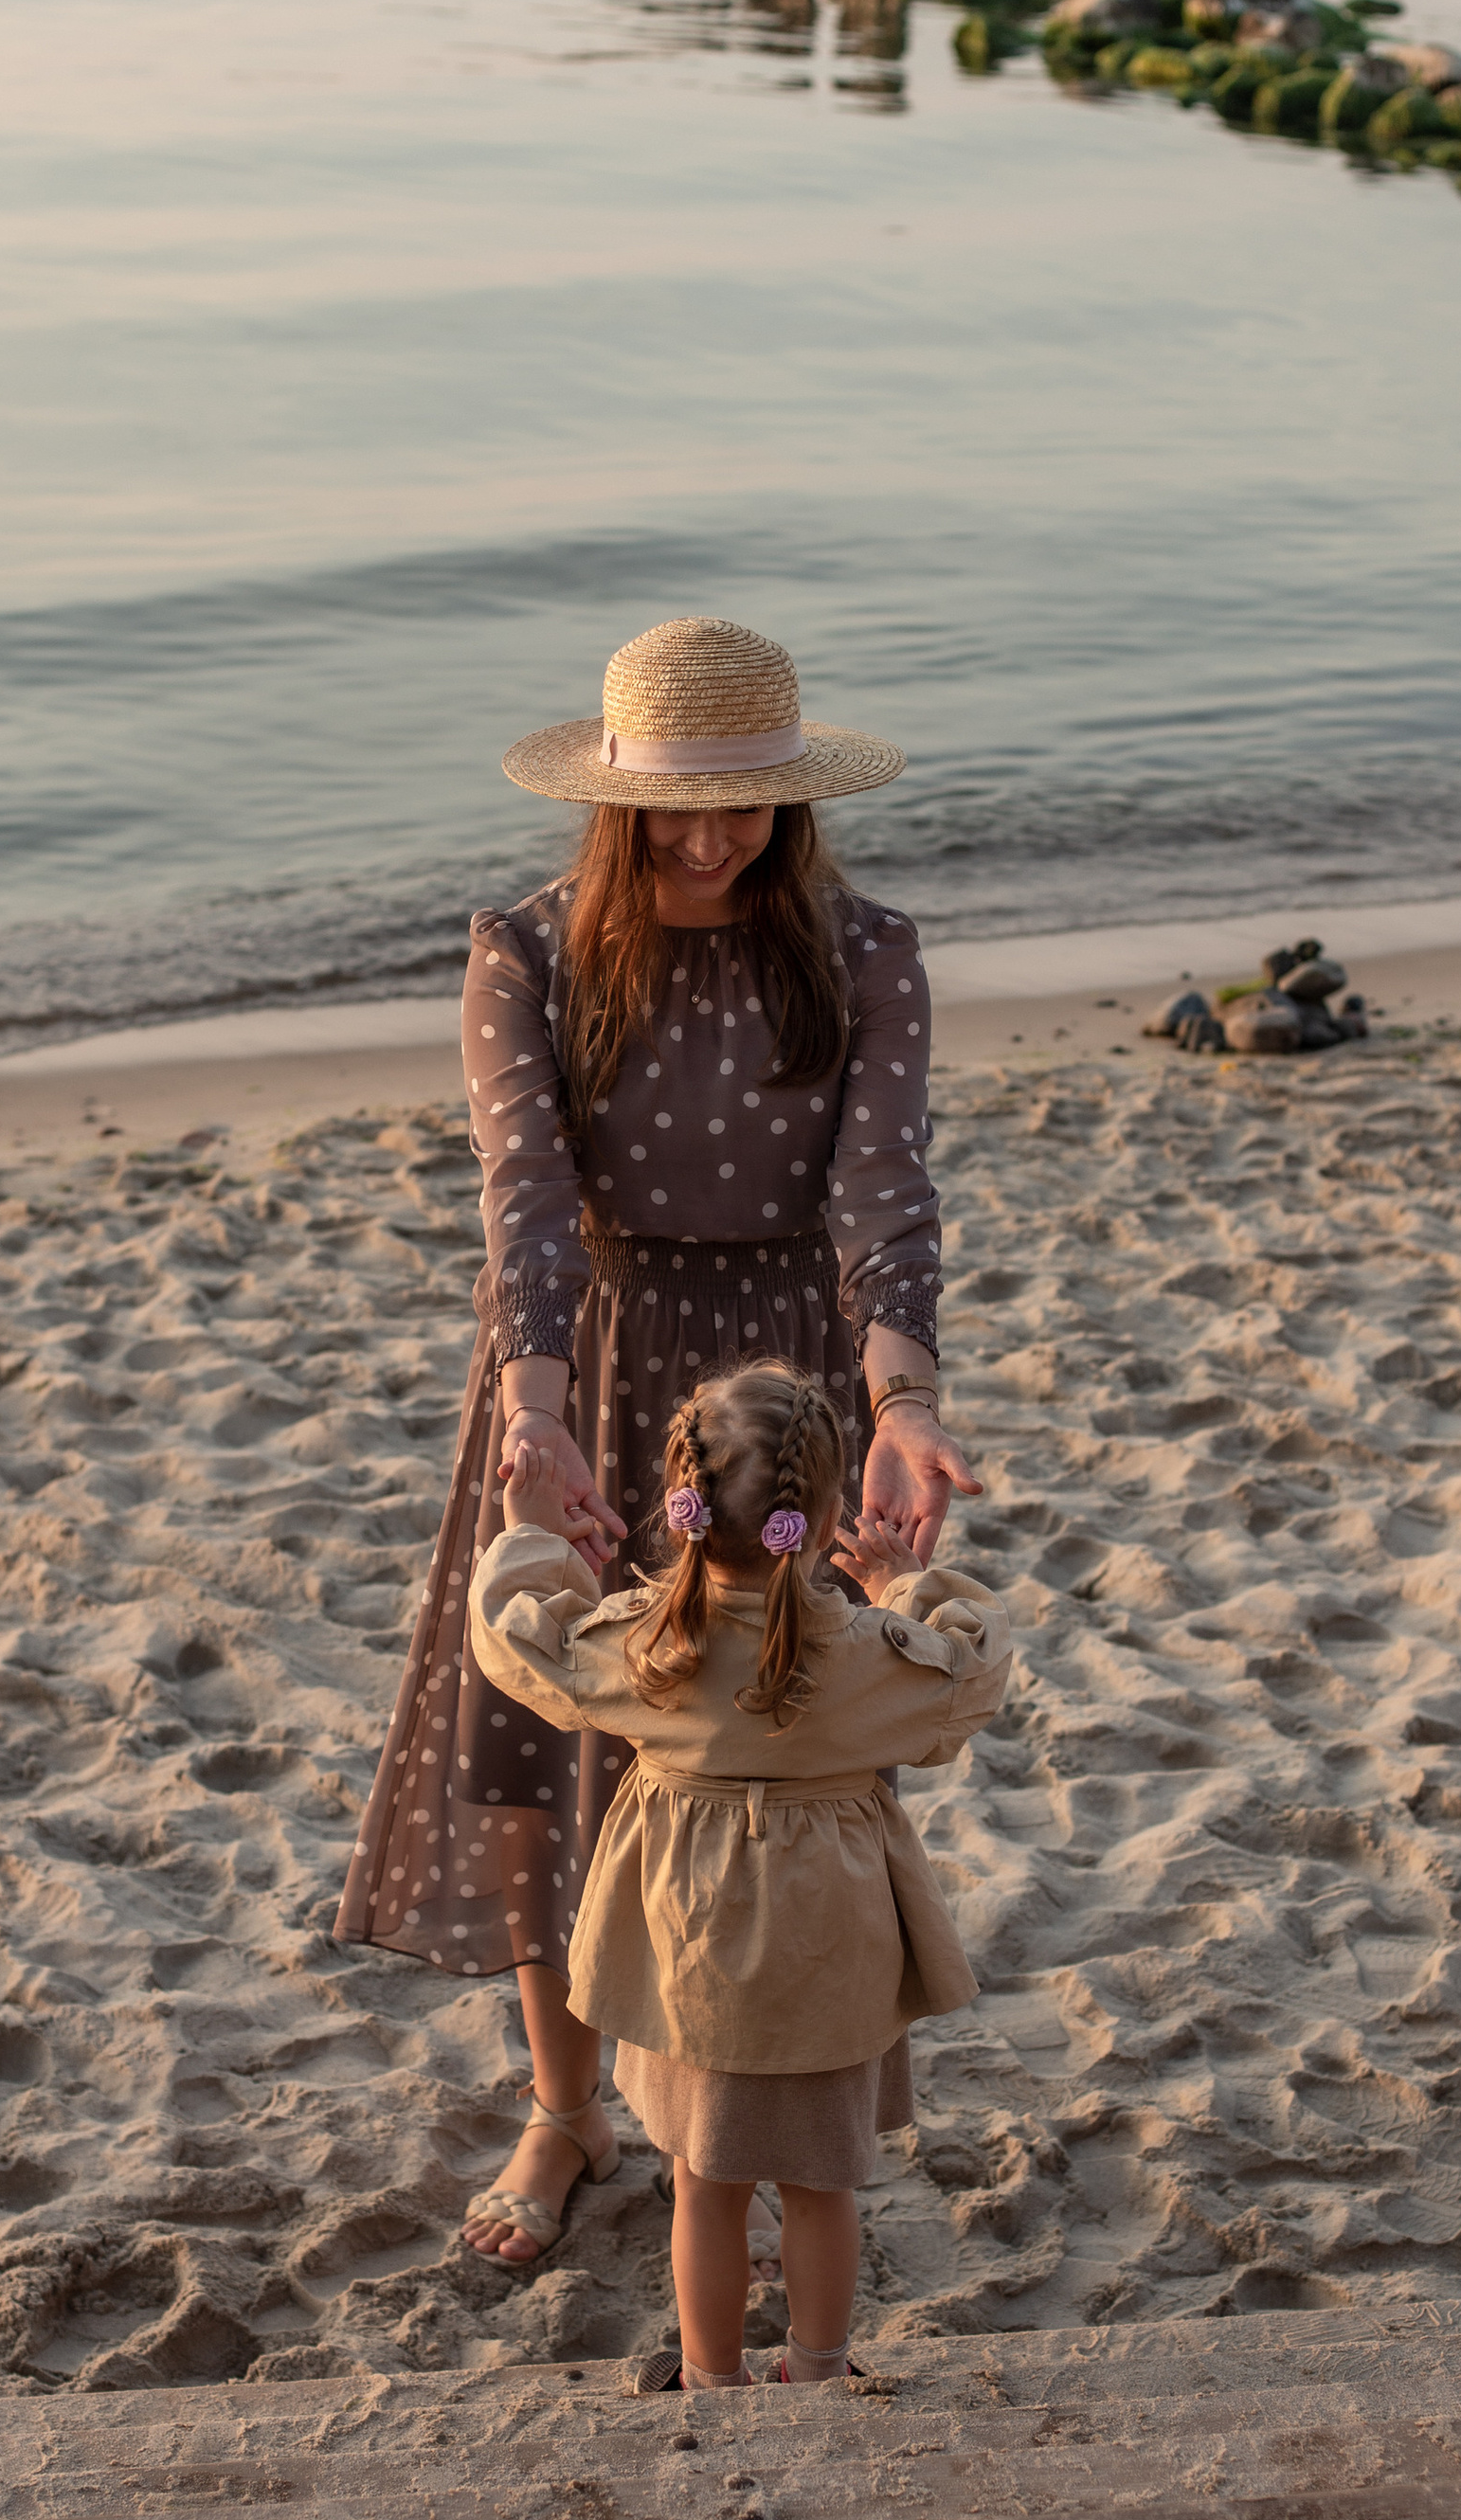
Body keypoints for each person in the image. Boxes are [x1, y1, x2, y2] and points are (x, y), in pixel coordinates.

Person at [334, 613, 981, 2268]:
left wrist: (903, 1407)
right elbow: (529, 1209)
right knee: (560, 1748)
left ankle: (754, 2110)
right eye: (676, 809)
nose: (709, 840)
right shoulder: (529, 953)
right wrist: (535, 1416)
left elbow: (883, 1194)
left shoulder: (869, 947)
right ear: (613, 803)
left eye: (746, 804)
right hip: (596, 1368)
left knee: (764, 1749)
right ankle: (566, 2110)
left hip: (787, 1390)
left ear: (796, 793)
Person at [475, 1361, 1009, 2384]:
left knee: (705, 2182)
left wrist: (532, 1529)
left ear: (681, 1504)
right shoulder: (869, 1654)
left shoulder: (642, 1643)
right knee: (819, 2186)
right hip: (831, 1958)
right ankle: (816, 2366)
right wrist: (903, 1584)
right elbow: (973, 1668)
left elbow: (519, 1640)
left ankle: (712, 2376)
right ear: (815, 1512)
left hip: (692, 1957)